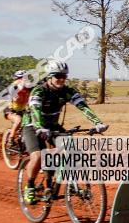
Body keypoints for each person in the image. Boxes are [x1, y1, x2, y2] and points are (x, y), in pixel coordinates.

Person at [21, 61, 109, 205]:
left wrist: (98, 123)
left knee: (72, 150)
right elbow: (35, 111)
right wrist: (39, 128)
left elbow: (83, 107)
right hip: (32, 125)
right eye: (58, 76)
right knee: (37, 156)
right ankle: (30, 186)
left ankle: (64, 183)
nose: (62, 79)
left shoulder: (67, 91)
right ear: (49, 77)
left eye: (64, 76)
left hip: (52, 125)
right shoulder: (39, 91)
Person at [3, 70, 31, 141]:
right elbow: (12, 98)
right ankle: (11, 138)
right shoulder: (13, 87)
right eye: (23, 77)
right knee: (18, 120)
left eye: (26, 77)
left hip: (22, 110)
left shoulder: (28, 87)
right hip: (11, 110)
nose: (25, 79)